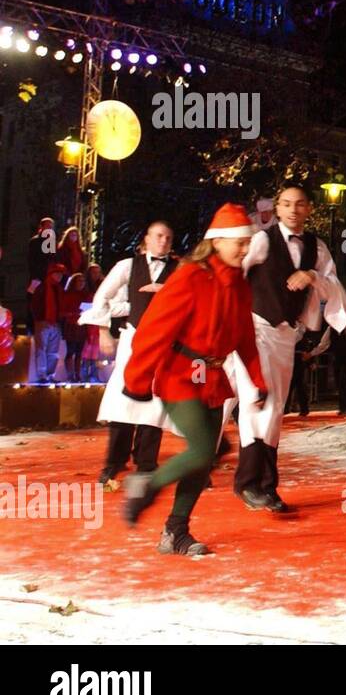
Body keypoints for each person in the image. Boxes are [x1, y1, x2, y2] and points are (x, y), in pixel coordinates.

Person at [120, 204, 267, 555]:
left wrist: (258, 381)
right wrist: (137, 379)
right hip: (180, 375)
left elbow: (246, 339)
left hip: (213, 378)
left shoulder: (240, 286)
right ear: (216, 241)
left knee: (204, 458)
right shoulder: (190, 276)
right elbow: (154, 329)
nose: (244, 249)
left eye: (247, 242)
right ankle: (147, 487)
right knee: (202, 449)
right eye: (238, 242)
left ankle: (175, 532)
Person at [222, 184, 346, 513]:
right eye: (286, 204)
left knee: (276, 407)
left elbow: (332, 284)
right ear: (277, 210)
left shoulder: (317, 247)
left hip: (285, 334)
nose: (293, 209)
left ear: (309, 209)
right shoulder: (263, 239)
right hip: (253, 327)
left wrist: (310, 275)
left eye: (299, 204)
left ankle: (265, 486)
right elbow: (231, 270)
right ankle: (249, 483)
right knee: (258, 400)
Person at [80, 221, 179, 483]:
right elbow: (102, 297)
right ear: (146, 238)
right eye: (158, 236)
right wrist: (103, 331)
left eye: (168, 238)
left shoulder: (179, 270)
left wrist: (167, 290)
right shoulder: (128, 266)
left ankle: (146, 462)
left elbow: (197, 297)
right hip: (133, 341)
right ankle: (114, 462)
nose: (163, 242)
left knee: (156, 402)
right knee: (123, 402)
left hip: (164, 344)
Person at [26, 217, 56, 335]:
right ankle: (30, 328)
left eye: (51, 226)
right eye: (47, 226)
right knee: (33, 303)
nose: (49, 228)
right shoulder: (35, 241)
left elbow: (52, 259)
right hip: (36, 278)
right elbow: (32, 260)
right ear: (41, 227)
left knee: (44, 303)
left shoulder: (51, 241)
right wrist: (36, 276)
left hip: (47, 278)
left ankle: (43, 327)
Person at [58, 272, 90, 382]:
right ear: (73, 282)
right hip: (71, 326)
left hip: (82, 326)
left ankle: (78, 374)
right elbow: (62, 312)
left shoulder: (86, 295)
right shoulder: (67, 295)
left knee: (79, 352)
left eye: (83, 281)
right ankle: (70, 375)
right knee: (70, 351)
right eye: (79, 281)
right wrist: (72, 314)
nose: (82, 283)